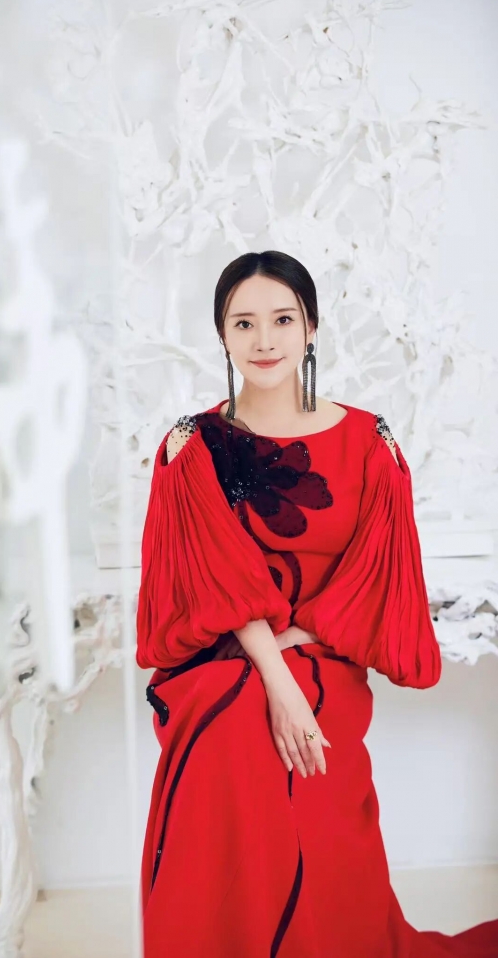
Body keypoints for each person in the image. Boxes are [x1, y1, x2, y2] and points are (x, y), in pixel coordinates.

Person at [135, 250, 498, 957]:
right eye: (244, 323)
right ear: (222, 335)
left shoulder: (369, 440)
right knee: (232, 719)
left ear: (311, 329)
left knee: (297, 745)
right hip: (228, 651)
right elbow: (217, 577)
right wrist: (278, 678)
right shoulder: (192, 444)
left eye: (282, 319)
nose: (264, 339)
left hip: (327, 648)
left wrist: (303, 640)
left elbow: (376, 574)